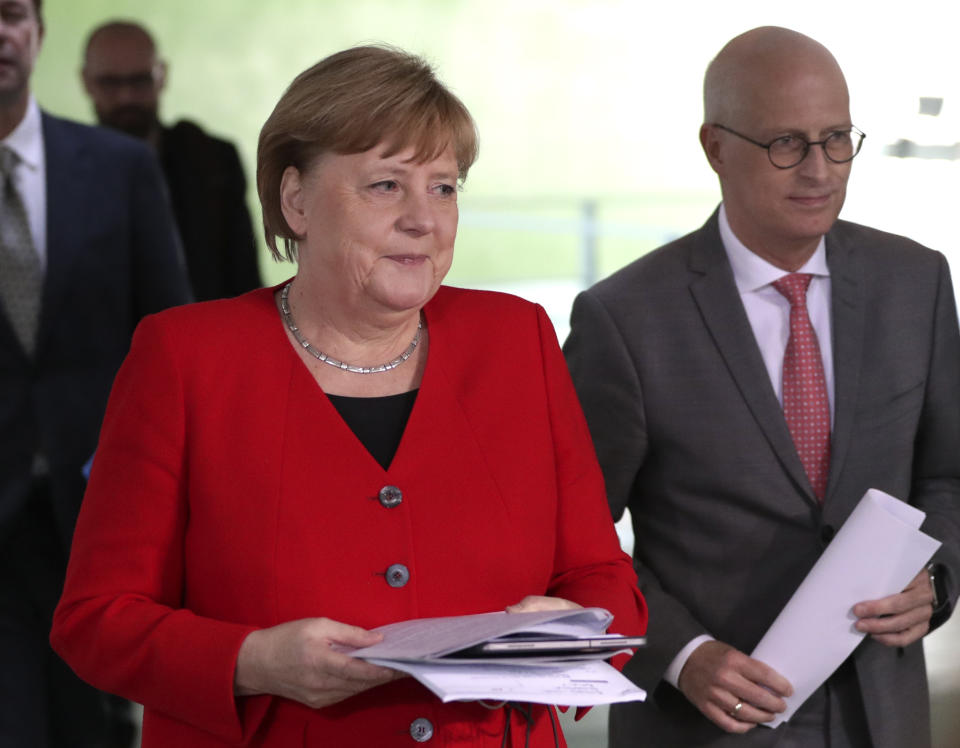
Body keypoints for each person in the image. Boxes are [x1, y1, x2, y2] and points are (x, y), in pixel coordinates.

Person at [50, 45, 648, 747]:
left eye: (445, 187)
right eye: (386, 186)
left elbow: (600, 573)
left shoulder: (519, 338)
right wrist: (251, 662)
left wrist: (572, 629)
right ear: (295, 200)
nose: (425, 219)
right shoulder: (184, 357)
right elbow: (97, 619)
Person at [564, 26, 959, 748]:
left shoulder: (918, 282)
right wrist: (680, 654)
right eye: (787, 143)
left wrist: (937, 582)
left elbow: (948, 478)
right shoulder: (624, 319)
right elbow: (568, 541)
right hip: (702, 725)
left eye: (837, 137)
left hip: (885, 719)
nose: (819, 170)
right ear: (715, 147)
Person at [0, 1, 192, 746]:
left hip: (101, 492)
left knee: (96, 717)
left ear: (40, 33)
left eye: (13, 12)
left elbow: (168, 337)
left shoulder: (119, 167)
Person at [81, 20, 262, 301]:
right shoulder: (65, 171)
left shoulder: (212, 162)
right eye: (111, 83)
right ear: (87, 82)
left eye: (139, 81)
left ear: (161, 76)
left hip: (200, 334)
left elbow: (243, 276)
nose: (126, 96)